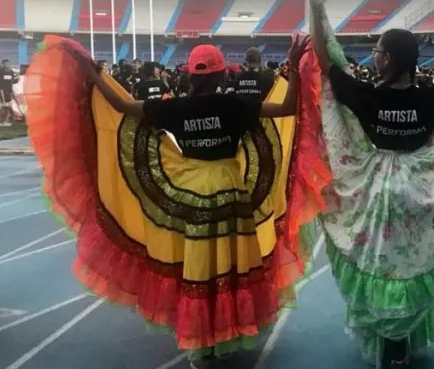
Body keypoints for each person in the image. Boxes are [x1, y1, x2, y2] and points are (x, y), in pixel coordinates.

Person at [24, 35, 312, 368]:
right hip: (231, 191)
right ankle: (227, 333)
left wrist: (94, 74)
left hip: (190, 195)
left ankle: (200, 345)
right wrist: (294, 68)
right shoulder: (235, 104)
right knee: (230, 263)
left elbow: (122, 108)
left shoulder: (174, 106)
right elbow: (288, 108)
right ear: (221, 76)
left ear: (191, 75)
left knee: (200, 266)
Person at [287, 0, 434, 368]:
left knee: (379, 264)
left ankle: (392, 343)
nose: (374, 57)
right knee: (414, 265)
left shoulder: (366, 95)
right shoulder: (432, 96)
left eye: (377, 51)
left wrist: (316, 11)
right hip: (421, 190)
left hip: (374, 193)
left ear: (388, 59)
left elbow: (325, 62)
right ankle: (401, 341)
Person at [0, 59, 19, 126]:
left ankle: (4, 121)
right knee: (4, 106)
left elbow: (13, 81)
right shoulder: (1, 72)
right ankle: (1, 121)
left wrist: (17, 79)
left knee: (8, 106)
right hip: (2, 91)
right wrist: (2, 95)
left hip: (9, 91)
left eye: (8, 63)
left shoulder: (11, 72)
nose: (7, 65)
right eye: (5, 64)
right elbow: (1, 85)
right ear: (3, 64)